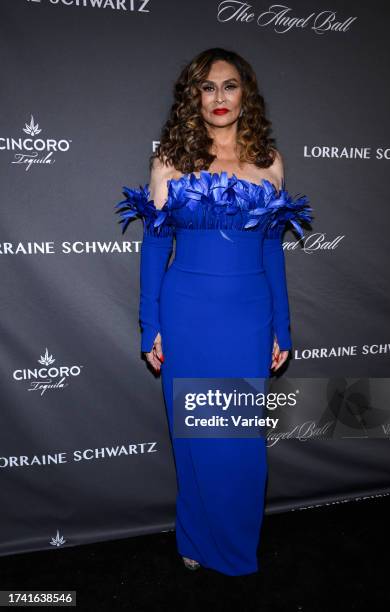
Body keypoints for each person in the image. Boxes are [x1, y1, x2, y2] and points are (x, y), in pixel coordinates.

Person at [115, 47, 313, 576]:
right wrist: (150, 323)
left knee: (240, 440)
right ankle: (196, 537)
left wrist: (282, 325)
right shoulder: (170, 162)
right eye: (207, 87)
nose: (219, 98)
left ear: (245, 92)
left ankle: (235, 546)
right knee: (196, 435)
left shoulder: (269, 162)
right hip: (187, 313)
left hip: (249, 314)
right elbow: (155, 248)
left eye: (229, 86)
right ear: (193, 97)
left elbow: (272, 249)